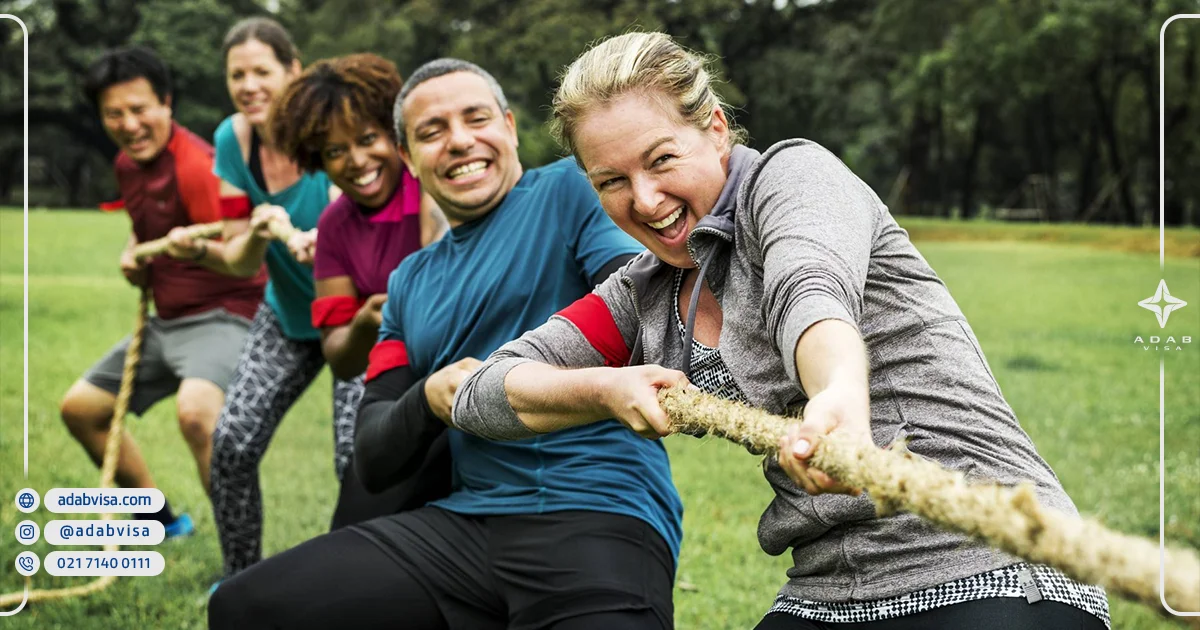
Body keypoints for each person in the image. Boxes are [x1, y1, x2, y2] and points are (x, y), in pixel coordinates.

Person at [452, 32, 1111, 630]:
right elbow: (486, 390)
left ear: (715, 130)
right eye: (612, 181)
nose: (645, 199)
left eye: (661, 160)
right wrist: (603, 389)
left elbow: (810, 290)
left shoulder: (791, 180)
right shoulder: (642, 294)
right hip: (826, 591)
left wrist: (838, 396)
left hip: (985, 560)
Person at [208, 58, 681, 630]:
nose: (459, 141)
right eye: (432, 132)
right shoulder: (409, 283)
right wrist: (431, 396)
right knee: (243, 607)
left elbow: (642, 311)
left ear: (508, 126)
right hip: (462, 529)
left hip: (597, 512)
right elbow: (374, 456)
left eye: (475, 119)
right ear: (409, 158)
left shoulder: (570, 191)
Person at [159, 16, 344, 579]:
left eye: (261, 71)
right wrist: (199, 251)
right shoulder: (232, 139)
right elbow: (240, 257)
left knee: (357, 459)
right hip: (288, 315)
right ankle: (240, 580)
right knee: (232, 445)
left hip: (354, 318)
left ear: (294, 70)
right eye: (236, 75)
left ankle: (355, 582)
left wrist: (328, 241)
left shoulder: (331, 128)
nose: (248, 86)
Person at [60, 46, 266, 539]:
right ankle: (161, 522)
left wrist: (190, 251)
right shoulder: (129, 166)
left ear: (167, 103)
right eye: (115, 113)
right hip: (166, 321)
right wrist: (135, 253)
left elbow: (243, 254)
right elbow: (147, 226)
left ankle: (242, 563)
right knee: (81, 410)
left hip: (224, 313)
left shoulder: (198, 166)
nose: (129, 124)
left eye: (140, 109)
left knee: (196, 412)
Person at [268, 52, 448, 526]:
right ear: (316, 159)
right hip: (390, 373)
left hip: (459, 372)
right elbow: (340, 357)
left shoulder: (428, 182)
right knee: (358, 484)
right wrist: (368, 322)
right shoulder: (334, 227)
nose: (357, 161)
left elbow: (447, 257)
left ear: (395, 134)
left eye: (368, 139)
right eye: (334, 151)